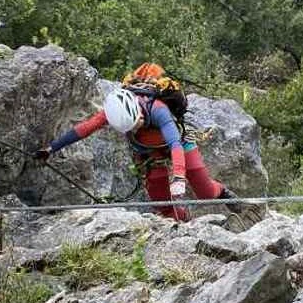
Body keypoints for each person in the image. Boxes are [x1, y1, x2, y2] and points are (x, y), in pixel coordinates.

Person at [33, 68, 245, 222]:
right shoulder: (112, 112)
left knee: (205, 192)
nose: (138, 127)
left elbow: (175, 145)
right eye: (132, 128)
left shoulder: (158, 109)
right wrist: (51, 149)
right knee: (163, 206)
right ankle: (185, 225)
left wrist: (179, 178)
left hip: (179, 143)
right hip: (148, 154)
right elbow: (84, 129)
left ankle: (223, 193)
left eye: (138, 122)